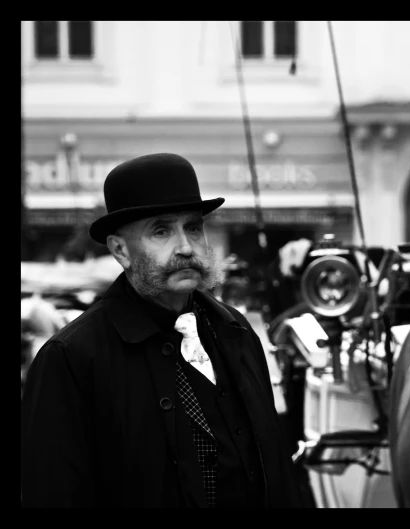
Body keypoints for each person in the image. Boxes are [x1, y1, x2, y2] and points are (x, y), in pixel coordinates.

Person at [21, 153, 304, 508]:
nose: (185, 247)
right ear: (121, 250)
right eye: (161, 230)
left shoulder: (236, 330)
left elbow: (275, 464)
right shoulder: (70, 358)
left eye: (194, 227)